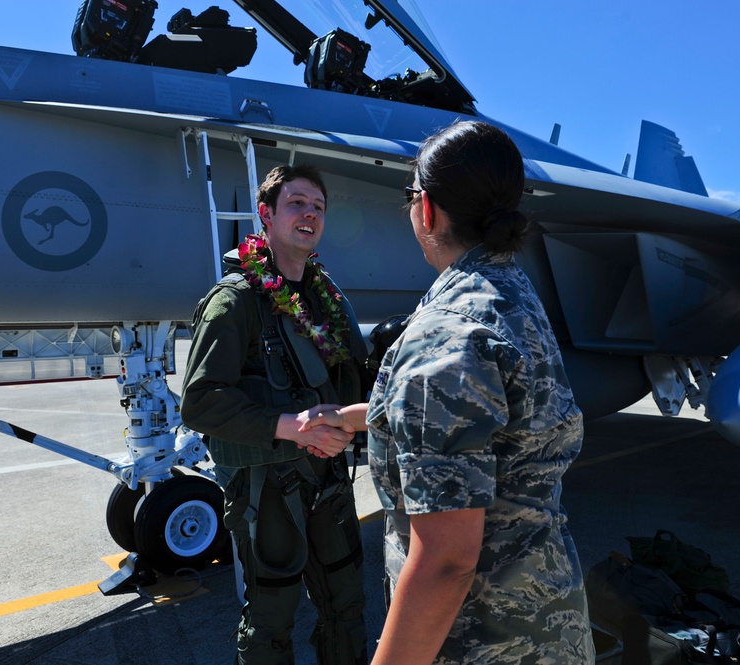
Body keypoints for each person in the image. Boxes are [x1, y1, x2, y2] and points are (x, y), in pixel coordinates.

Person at [304, 121, 596, 664]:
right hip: (550, 628)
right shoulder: (511, 294)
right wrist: (364, 416)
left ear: (429, 209)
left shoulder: (446, 333)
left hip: (479, 643)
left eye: (412, 195)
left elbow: (446, 561)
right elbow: (489, 422)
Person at [180, 164, 371, 665]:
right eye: (297, 203)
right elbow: (200, 400)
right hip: (268, 488)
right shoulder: (235, 301)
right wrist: (290, 426)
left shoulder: (325, 298)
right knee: (271, 622)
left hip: (328, 477)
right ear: (265, 214)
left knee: (347, 606)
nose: (309, 213)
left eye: (318, 207)